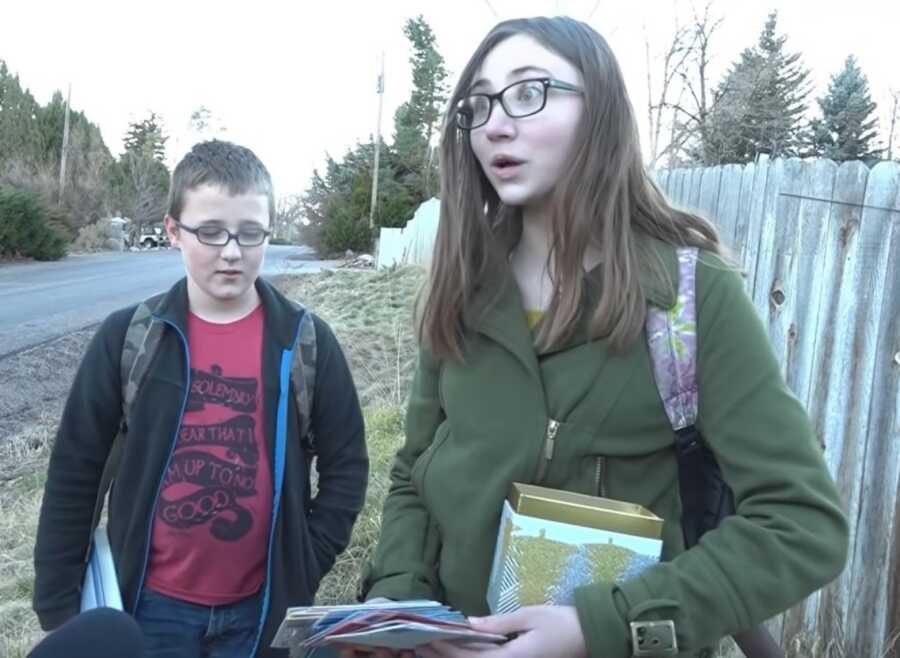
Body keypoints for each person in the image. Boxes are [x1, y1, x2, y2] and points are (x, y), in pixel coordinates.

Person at [358, 16, 848, 658]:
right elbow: (413, 475)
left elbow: (802, 524)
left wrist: (602, 626)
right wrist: (398, 598)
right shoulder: (461, 290)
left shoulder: (687, 299)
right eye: (477, 105)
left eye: (528, 92)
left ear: (601, 111)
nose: (495, 125)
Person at [33, 140, 369, 658]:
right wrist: (57, 607)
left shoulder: (307, 341)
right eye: (210, 232)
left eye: (250, 232)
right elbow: (75, 471)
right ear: (173, 231)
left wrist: (303, 561)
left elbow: (347, 466)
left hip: (261, 610)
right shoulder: (130, 338)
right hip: (149, 605)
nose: (232, 251)